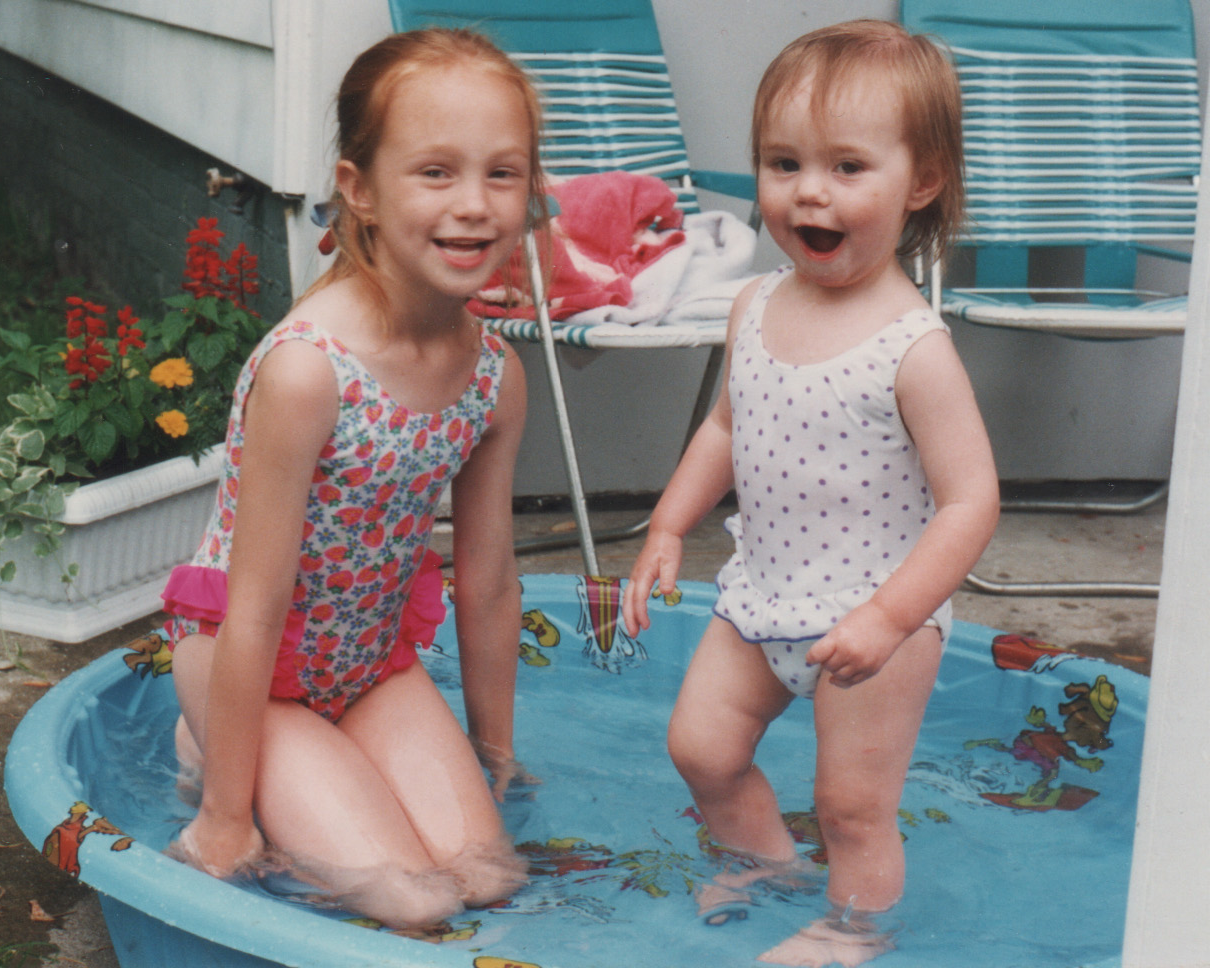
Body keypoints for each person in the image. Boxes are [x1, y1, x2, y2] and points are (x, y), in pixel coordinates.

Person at [622, 20, 999, 968]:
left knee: (853, 806)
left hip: (876, 618)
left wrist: (890, 617)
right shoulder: (754, 305)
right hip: (762, 594)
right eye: (783, 163)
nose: (809, 192)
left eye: (846, 167)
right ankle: (763, 862)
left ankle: (854, 929)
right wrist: (669, 522)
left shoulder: (913, 348)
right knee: (701, 747)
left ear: (921, 182)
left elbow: (971, 502)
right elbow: (725, 427)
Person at [161, 27, 546, 930]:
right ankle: (210, 742)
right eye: (436, 172)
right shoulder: (310, 373)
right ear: (359, 190)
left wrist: (495, 753)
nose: (474, 205)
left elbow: (489, 581)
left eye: (502, 173)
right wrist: (224, 820)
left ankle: (313, 764)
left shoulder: (494, 378)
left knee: (488, 877)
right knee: (414, 903)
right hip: (251, 670)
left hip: (369, 665)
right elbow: (254, 608)